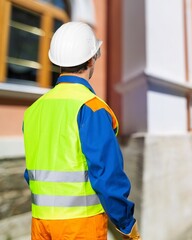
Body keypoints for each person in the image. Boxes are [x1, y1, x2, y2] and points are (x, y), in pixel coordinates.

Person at [23, 21, 141, 240]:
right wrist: (126, 225)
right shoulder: (92, 108)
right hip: (80, 227)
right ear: (91, 59)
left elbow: (31, 173)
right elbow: (107, 176)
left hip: (40, 225)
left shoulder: (33, 110)